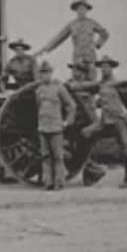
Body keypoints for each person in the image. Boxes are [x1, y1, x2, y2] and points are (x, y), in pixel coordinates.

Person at [80, 56, 127, 188]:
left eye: (107, 67)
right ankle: (93, 171)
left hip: (118, 121)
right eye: (102, 67)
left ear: (111, 68)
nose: (104, 69)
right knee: (85, 134)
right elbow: (92, 92)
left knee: (126, 148)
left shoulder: (118, 85)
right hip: (104, 121)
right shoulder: (101, 84)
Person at [35, 0, 110, 80]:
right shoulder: (72, 24)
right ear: (76, 11)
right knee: (77, 78)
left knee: (91, 78)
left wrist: (98, 44)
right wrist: (45, 49)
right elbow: (59, 37)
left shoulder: (91, 23)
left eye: (83, 9)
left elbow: (105, 34)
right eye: (79, 9)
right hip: (77, 55)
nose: (81, 11)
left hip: (90, 55)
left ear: (86, 10)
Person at [35, 61, 77, 190]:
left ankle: (59, 182)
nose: (44, 76)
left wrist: (67, 121)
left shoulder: (59, 88)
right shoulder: (39, 90)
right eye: (42, 73)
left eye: (46, 73)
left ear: (51, 74)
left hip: (56, 127)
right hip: (43, 127)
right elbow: (39, 107)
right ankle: (48, 182)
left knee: (58, 156)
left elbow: (71, 105)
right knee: (45, 156)